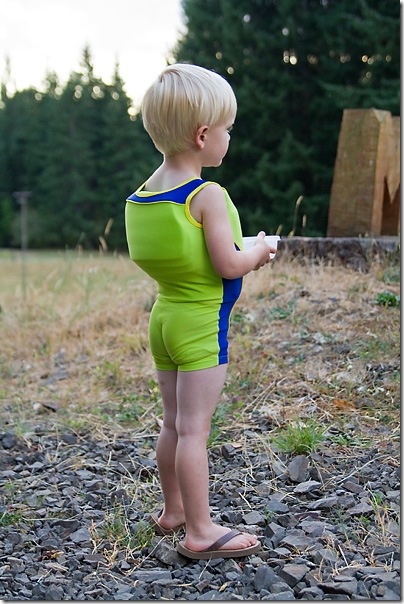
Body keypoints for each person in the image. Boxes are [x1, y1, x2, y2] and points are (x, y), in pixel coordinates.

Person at [125, 63, 275, 560]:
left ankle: (173, 511)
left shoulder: (143, 196)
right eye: (227, 128)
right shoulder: (207, 195)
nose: (230, 137)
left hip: (164, 318)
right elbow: (228, 263)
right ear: (203, 135)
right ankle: (201, 530)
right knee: (194, 430)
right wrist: (259, 250)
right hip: (200, 323)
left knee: (172, 424)